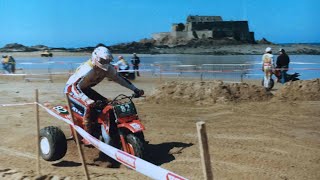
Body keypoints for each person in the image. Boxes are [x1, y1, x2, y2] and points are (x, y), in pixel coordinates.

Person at [64, 44, 144, 145]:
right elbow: (73, 86)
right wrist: (86, 99)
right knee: (88, 107)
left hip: (85, 89)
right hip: (71, 90)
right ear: (96, 58)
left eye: (107, 61)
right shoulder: (87, 69)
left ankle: (107, 130)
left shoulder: (108, 69)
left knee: (107, 104)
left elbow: (120, 79)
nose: (105, 63)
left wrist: (135, 89)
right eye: (103, 61)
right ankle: (87, 136)